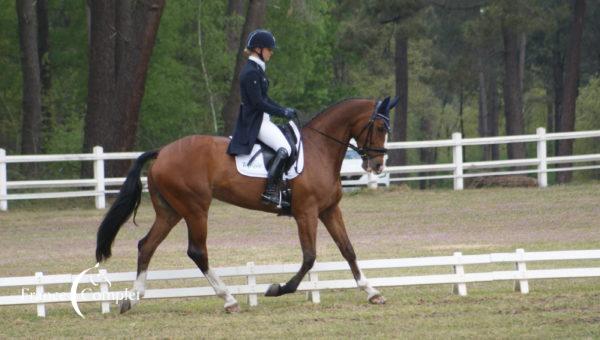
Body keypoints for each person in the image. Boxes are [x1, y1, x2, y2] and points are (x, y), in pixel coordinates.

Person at [226, 29, 297, 207]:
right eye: (269, 49)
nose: (271, 52)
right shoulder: (250, 72)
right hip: (255, 122)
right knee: (284, 148)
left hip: (262, 119)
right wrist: (282, 113)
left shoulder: (257, 69)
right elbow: (258, 103)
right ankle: (270, 192)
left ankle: (283, 187)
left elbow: (265, 99)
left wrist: (284, 109)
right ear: (258, 49)